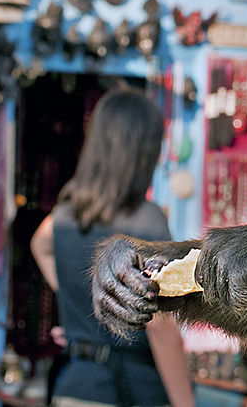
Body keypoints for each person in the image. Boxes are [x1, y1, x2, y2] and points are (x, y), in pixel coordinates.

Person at [31, 88, 194, 407]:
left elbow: (40, 243)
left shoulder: (66, 214)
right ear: (145, 151)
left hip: (74, 387)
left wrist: (74, 297)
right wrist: (185, 403)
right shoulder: (147, 223)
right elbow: (160, 330)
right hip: (131, 390)